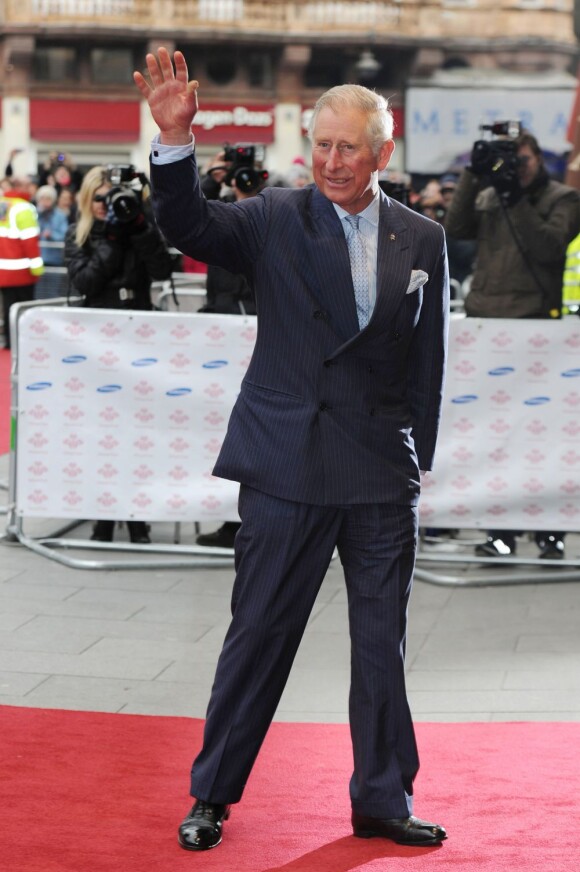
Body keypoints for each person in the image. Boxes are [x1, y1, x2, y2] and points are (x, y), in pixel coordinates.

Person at [134, 47, 449, 851]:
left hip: (380, 472)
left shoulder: (422, 238)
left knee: (383, 647)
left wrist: (420, 462)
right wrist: (174, 144)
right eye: (322, 145)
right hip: (286, 466)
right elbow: (189, 225)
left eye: (350, 147)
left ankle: (382, 796)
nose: (334, 161)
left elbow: (428, 361)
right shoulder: (276, 217)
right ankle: (212, 794)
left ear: (384, 151)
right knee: (260, 634)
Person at [445, 130, 580, 560]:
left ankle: (548, 532)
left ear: (538, 159)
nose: (515, 168)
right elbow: (455, 227)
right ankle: (499, 529)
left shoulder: (563, 199)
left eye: (520, 160)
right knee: (494, 437)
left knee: (542, 438)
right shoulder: (488, 193)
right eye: (509, 160)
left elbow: (548, 248)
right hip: (488, 324)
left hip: (536, 330)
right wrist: (474, 174)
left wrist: (513, 195)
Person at [64, 164, 175, 543]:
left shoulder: (141, 227)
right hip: (95, 345)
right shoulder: (79, 236)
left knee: (138, 431)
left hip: (139, 339)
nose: (106, 204)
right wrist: (111, 237)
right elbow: (85, 281)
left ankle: (138, 519)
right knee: (100, 434)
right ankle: (103, 519)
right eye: (98, 198)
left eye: (111, 197)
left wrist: (140, 229)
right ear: (86, 199)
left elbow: (162, 270)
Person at [0, 177, 44, 349]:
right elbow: (29, 240)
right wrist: (37, 268)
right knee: (23, 311)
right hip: (22, 271)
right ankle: (21, 344)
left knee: (8, 308)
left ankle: (10, 342)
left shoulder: (3, 205)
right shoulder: (24, 208)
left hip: (3, 269)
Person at [34, 184, 69, 300]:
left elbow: (65, 235)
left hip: (54, 260)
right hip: (38, 260)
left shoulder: (60, 215)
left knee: (52, 292)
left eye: (48, 198)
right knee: (38, 292)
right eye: (42, 198)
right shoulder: (34, 215)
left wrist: (52, 235)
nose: (44, 202)